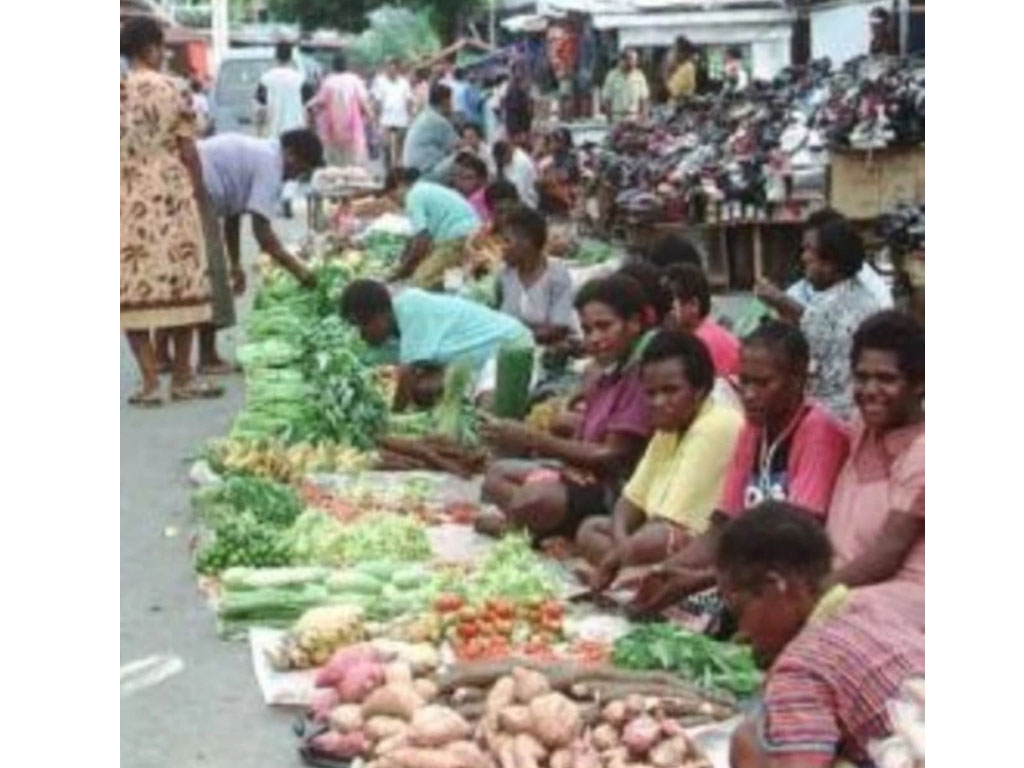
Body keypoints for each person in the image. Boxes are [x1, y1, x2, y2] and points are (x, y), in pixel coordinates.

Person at [622, 322, 852, 618]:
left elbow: (794, 544)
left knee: (705, 609)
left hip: (794, 575)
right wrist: (665, 571)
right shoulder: (753, 430)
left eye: (763, 383)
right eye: (744, 381)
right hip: (748, 572)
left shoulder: (817, 431)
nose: (750, 394)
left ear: (797, 380)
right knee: (663, 598)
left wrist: (705, 579)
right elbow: (721, 527)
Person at [719, 503, 924, 768]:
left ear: (776, 587)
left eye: (739, 610)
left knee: (748, 740)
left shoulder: (802, 667)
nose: (742, 632)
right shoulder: (871, 607)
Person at [479, 275, 655, 540]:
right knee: (496, 476)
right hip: (584, 477)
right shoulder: (604, 372)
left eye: (604, 326)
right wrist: (568, 462)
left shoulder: (641, 376)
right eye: (587, 330)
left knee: (538, 498)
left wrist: (535, 439)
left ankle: (528, 526)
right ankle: (534, 524)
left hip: (616, 491)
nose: (594, 338)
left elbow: (611, 456)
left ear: (634, 324)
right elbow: (585, 438)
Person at [581, 330, 743, 587]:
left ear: (699, 390)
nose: (658, 402)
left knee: (653, 538)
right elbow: (629, 501)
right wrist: (624, 548)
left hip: (696, 547)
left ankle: (630, 576)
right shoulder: (670, 423)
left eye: (670, 391)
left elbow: (669, 523)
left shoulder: (717, 424)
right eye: (651, 393)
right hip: (649, 541)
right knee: (591, 528)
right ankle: (631, 575)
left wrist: (622, 553)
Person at [121, 17, 223, 406]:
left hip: (125, 195)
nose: (164, 54)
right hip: (170, 193)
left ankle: (149, 382)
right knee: (185, 281)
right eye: (161, 48)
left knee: (130, 286)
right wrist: (198, 194)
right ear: (150, 48)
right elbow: (188, 150)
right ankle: (182, 376)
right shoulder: (174, 88)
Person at [186, 130, 323, 372]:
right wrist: (300, 271)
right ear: (290, 155)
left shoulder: (261, 153)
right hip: (197, 187)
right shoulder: (271, 164)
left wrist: (236, 263)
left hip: (194, 184)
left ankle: (165, 355)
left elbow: (233, 216)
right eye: (300, 169)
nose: (295, 177)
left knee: (188, 273)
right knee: (212, 274)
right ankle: (207, 358)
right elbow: (263, 235)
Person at [825, 311, 925, 626]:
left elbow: (885, 556)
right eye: (862, 377)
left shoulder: (924, 452)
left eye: (886, 379)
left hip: (903, 603)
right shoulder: (858, 432)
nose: (869, 390)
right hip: (848, 590)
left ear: (920, 385)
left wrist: (809, 596)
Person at [760, 212, 883, 419]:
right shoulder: (860, 295)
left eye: (809, 250)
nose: (804, 257)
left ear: (831, 261)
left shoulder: (830, 307)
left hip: (833, 418)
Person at [339, 279, 533, 406]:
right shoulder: (389, 337)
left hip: (506, 347)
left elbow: (407, 373)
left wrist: (392, 419)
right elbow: (365, 364)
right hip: (471, 364)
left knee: (489, 412)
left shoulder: (411, 305)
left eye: (362, 326)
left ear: (381, 315)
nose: (361, 335)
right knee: (423, 390)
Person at [757, 209, 892, 315]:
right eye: (804, 249)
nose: (803, 257)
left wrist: (783, 302)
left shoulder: (868, 296)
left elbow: (825, 327)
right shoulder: (811, 286)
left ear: (832, 257)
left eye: (810, 249)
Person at [383, 167, 481, 290]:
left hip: (458, 235)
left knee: (421, 282)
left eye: (394, 198)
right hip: (470, 231)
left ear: (400, 186)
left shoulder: (413, 196)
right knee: (447, 272)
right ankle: (454, 288)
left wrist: (404, 269)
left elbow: (422, 241)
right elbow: (418, 236)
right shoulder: (424, 188)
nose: (398, 204)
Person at [494, 205, 575, 345]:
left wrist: (516, 337)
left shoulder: (556, 274)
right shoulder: (505, 274)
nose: (501, 247)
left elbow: (558, 327)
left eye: (507, 241)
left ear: (527, 242)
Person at [664, 263, 740, 378]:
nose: (665, 311)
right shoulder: (700, 333)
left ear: (694, 304)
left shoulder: (702, 342)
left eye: (670, 302)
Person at [306, 52, 374, 168]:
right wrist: (371, 120)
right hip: (353, 134)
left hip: (331, 134)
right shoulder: (355, 81)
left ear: (333, 66)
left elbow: (318, 104)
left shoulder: (328, 82)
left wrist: (311, 120)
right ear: (347, 66)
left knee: (334, 168)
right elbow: (364, 103)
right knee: (353, 168)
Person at [402, 83, 461, 182]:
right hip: (427, 173)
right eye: (451, 100)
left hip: (414, 171)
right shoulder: (439, 121)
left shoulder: (425, 115)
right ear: (445, 102)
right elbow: (457, 145)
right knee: (465, 154)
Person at [371, 58, 414, 171]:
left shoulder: (404, 82)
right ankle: (388, 171)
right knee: (387, 147)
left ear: (398, 69)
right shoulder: (380, 81)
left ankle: (398, 171)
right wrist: (376, 118)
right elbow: (377, 101)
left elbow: (409, 100)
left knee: (400, 148)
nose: (392, 70)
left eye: (395, 68)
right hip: (385, 119)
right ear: (386, 69)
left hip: (401, 119)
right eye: (390, 67)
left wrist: (410, 117)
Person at [257, 42, 306, 139]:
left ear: (276, 56)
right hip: (296, 132)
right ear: (291, 57)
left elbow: (260, 107)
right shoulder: (301, 80)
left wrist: (259, 131)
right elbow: (308, 106)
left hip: (273, 133)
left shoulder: (265, 79)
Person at [536, 128, 579, 216]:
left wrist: (546, 177)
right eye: (551, 140)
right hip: (549, 203)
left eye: (555, 140)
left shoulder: (570, 158)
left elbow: (562, 176)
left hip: (563, 202)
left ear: (562, 143)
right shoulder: (549, 157)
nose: (551, 142)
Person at [601, 50, 650, 122]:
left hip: (634, 119)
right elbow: (607, 99)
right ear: (623, 60)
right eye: (631, 60)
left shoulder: (639, 76)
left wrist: (643, 117)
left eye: (635, 61)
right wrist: (609, 118)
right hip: (617, 119)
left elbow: (644, 99)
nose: (634, 63)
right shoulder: (612, 76)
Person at [492, 139, 539, 209]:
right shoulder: (504, 161)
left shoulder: (521, 162)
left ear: (508, 152)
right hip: (511, 199)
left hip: (528, 201)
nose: (502, 162)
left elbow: (520, 192)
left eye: (502, 159)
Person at [451, 153, 491, 222]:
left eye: (469, 178)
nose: (463, 182)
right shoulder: (459, 197)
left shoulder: (478, 198)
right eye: (462, 177)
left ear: (482, 179)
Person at [502, 64, 534, 142]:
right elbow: (505, 103)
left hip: (522, 122)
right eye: (517, 70)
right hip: (514, 122)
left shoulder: (526, 88)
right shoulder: (509, 87)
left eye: (520, 70)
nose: (519, 73)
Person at [665, 36, 697, 101]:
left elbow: (675, 92)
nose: (674, 53)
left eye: (675, 50)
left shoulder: (687, 67)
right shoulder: (681, 67)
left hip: (681, 105)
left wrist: (666, 70)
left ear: (683, 53)